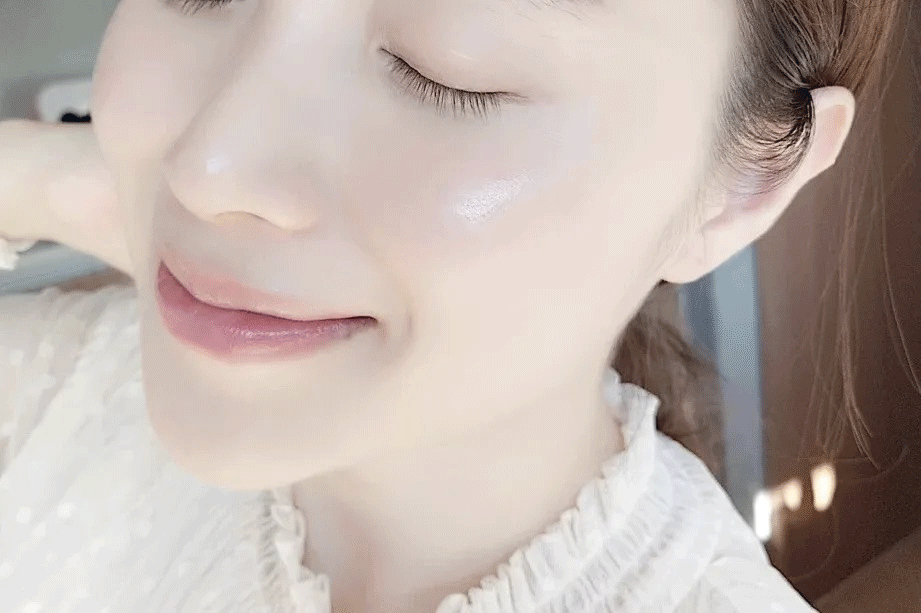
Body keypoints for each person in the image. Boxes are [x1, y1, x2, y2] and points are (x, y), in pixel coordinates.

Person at [0, 0, 902, 611]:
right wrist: (53, 179)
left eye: (446, 71)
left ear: (741, 188)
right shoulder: (62, 388)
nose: (208, 168)